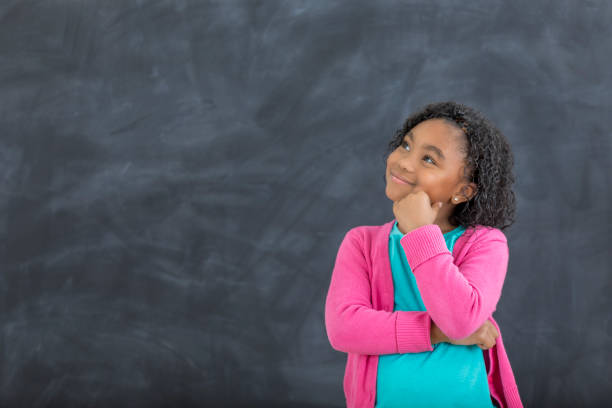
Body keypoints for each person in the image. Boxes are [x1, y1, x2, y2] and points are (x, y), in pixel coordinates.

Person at [324, 101, 523, 408]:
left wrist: (420, 234)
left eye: (429, 159)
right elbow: (344, 329)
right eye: (406, 145)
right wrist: (435, 332)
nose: (405, 162)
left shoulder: (485, 243)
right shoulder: (361, 243)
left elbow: (461, 322)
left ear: (463, 192)